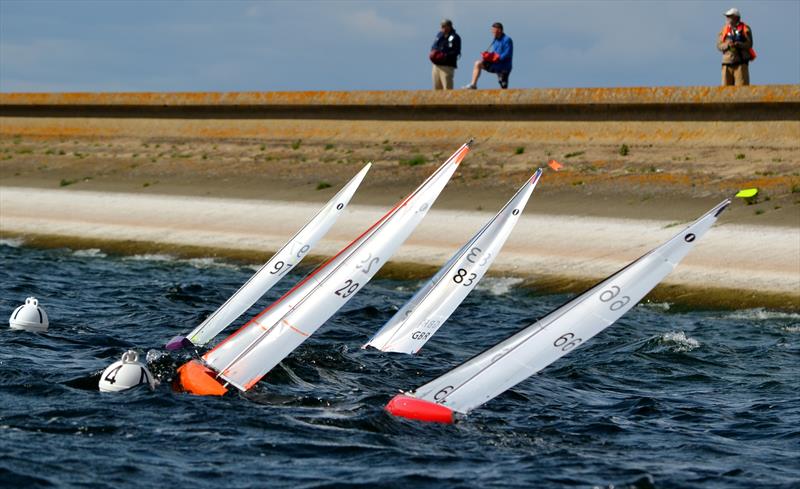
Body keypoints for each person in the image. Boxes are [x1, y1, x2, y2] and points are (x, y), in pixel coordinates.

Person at [464, 22, 513, 89]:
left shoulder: (507, 40)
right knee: (478, 63)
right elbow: (494, 52)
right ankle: (473, 85)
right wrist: (488, 56)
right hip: (495, 64)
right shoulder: (495, 40)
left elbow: (508, 53)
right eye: (492, 30)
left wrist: (497, 58)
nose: (492, 32)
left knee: (503, 85)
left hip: (504, 66)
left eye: (493, 30)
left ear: (499, 30)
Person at [717, 8, 754, 86]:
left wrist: (738, 44)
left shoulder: (745, 28)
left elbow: (749, 44)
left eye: (729, 16)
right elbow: (719, 45)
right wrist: (727, 45)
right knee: (725, 91)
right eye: (727, 16)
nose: (727, 18)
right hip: (727, 64)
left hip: (740, 64)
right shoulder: (724, 30)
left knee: (742, 90)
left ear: (736, 18)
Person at [430, 19, 461, 90]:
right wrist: (434, 54)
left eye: (444, 26)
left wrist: (444, 55)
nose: (442, 28)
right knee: (436, 89)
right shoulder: (439, 35)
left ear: (449, 27)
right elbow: (433, 46)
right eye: (441, 26)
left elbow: (456, 51)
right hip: (436, 65)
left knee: (447, 88)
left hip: (447, 66)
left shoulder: (455, 37)